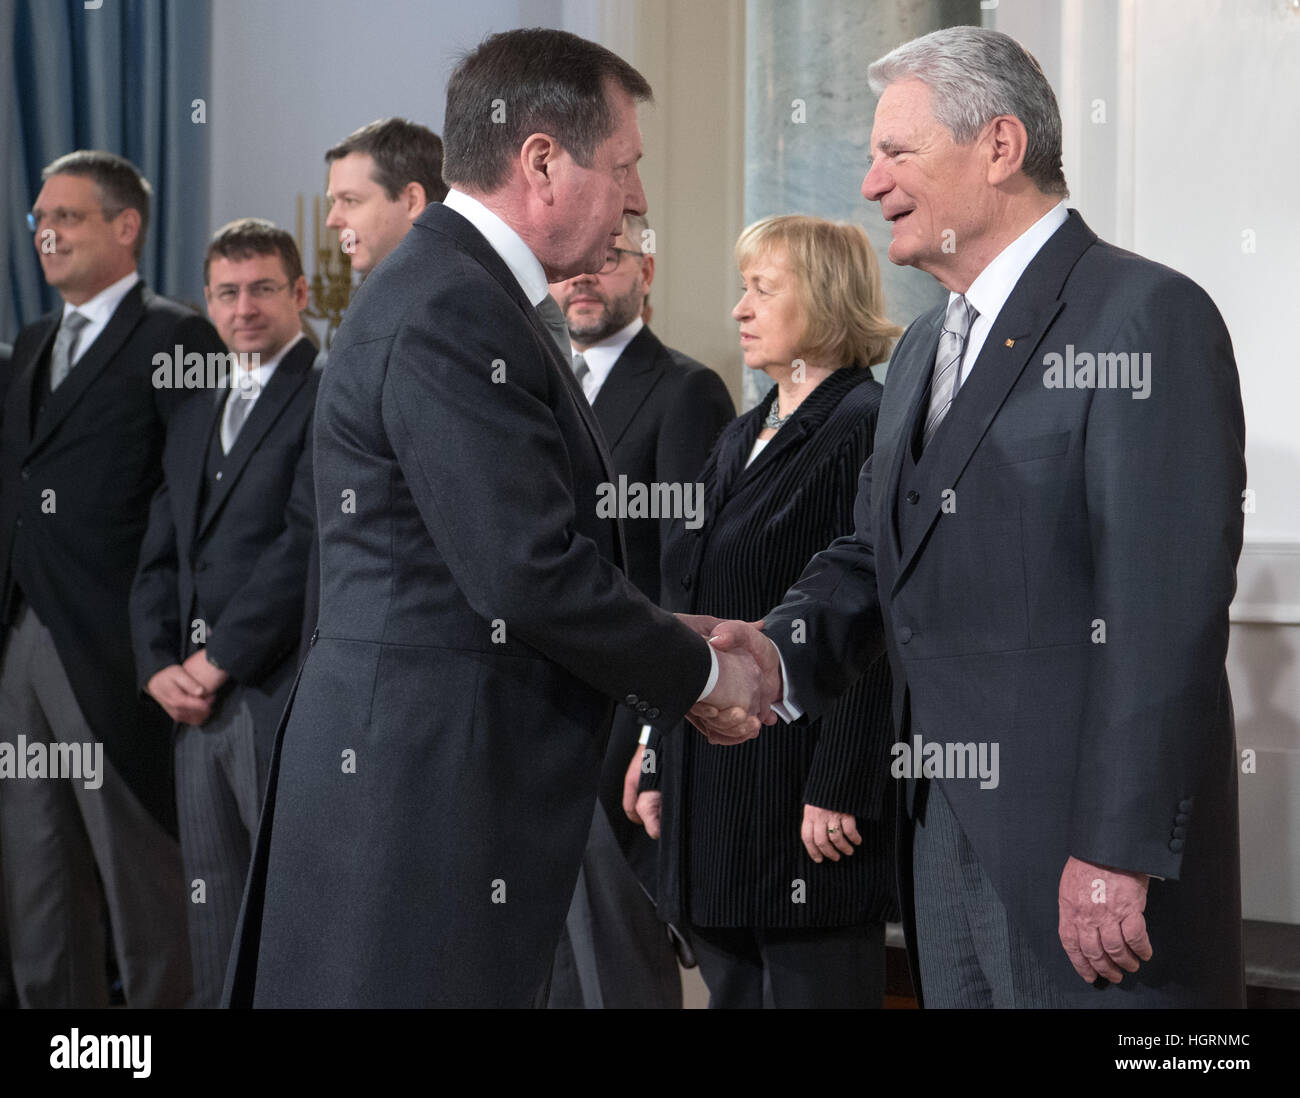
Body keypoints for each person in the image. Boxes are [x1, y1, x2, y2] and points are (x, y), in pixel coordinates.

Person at [694, 26, 1247, 1009]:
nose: (869, 184)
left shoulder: (1141, 317)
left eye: (895, 153)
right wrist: (775, 656)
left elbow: (1161, 614)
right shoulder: (916, 354)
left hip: (1085, 867)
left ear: (998, 147)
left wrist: (1115, 849)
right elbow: (874, 557)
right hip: (939, 846)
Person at [224, 27, 766, 1009]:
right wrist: (700, 675)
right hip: (419, 789)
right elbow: (523, 571)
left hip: (430, 771)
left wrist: (674, 637)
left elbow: (488, 558)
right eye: (628, 166)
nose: (638, 197)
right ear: (543, 161)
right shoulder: (451, 304)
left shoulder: (465, 292)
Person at [628, 215, 900, 1008]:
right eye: (742, 288)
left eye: (762, 289)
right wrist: (655, 752)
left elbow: (876, 610)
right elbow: (691, 603)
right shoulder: (742, 431)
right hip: (712, 785)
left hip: (807, 799)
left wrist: (844, 779)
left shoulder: (865, 421)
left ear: (823, 298)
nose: (739, 309)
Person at [0, 149, 226, 1007]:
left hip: (118, 647)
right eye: (38, 221)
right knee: (37, 878)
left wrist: (176, 642)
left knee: (142, 885)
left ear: (125, 227)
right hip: (22, 638)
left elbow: (196, 500)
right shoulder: (29, 342)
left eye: (67, 218)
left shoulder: (177, 336)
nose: (46, 234)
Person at [546, 212, 735, 1007]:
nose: (584, 278)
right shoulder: (535, 381)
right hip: (541, 724)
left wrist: (656, 730)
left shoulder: (687, 390)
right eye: (571, 267)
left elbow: (689, 579)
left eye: (610, 260)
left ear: (646, 275)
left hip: (625, 730)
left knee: (620, 975)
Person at [129, 219, 320, 1008]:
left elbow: (306, 541)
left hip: (277, 693)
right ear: (207, 301)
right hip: (189, 707)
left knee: (291, 914)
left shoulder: (327, 390)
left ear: (300, 294)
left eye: (264, 289)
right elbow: (161, 549)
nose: (245, 308)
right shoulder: (194, 404)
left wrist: (218, 659)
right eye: (228, 292)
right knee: (211, 913)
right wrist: (156, 666)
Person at [324, 117, 449, 277]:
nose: (331, 221)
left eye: (350, 200)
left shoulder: (461, 294)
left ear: (412, 201)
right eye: (333, 201)